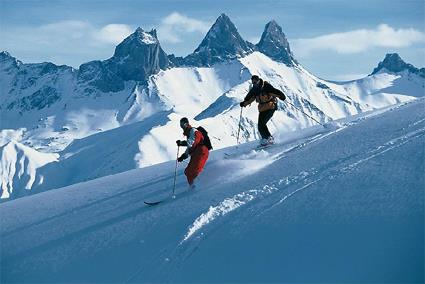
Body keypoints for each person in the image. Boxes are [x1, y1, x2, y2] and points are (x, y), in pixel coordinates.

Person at [239, 75, 286, 146]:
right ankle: (265, 139)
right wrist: (244, 103)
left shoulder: (266, 87)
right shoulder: (254, 90)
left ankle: (269, 139)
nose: (254, 83)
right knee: (260, 125)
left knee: (262, 123)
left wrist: (281, 96)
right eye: (253, 82)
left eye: (255, 81)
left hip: (271, 106)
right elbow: (249, 98)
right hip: (262, 108)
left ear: (258, 80)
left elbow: (275, 91)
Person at [176, 117, 210, 188]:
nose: (182, 127)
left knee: (194, 171)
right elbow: (190, 147)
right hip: (196, 153)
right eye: (180, 125)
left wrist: (182, 143)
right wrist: (184, 156)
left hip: (202, 152)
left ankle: (200, 187)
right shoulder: (189, 133)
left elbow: (192, 143)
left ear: (186, 124)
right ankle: (193, 187)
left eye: (183, 125)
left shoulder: (193, 131)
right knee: (187, 171)